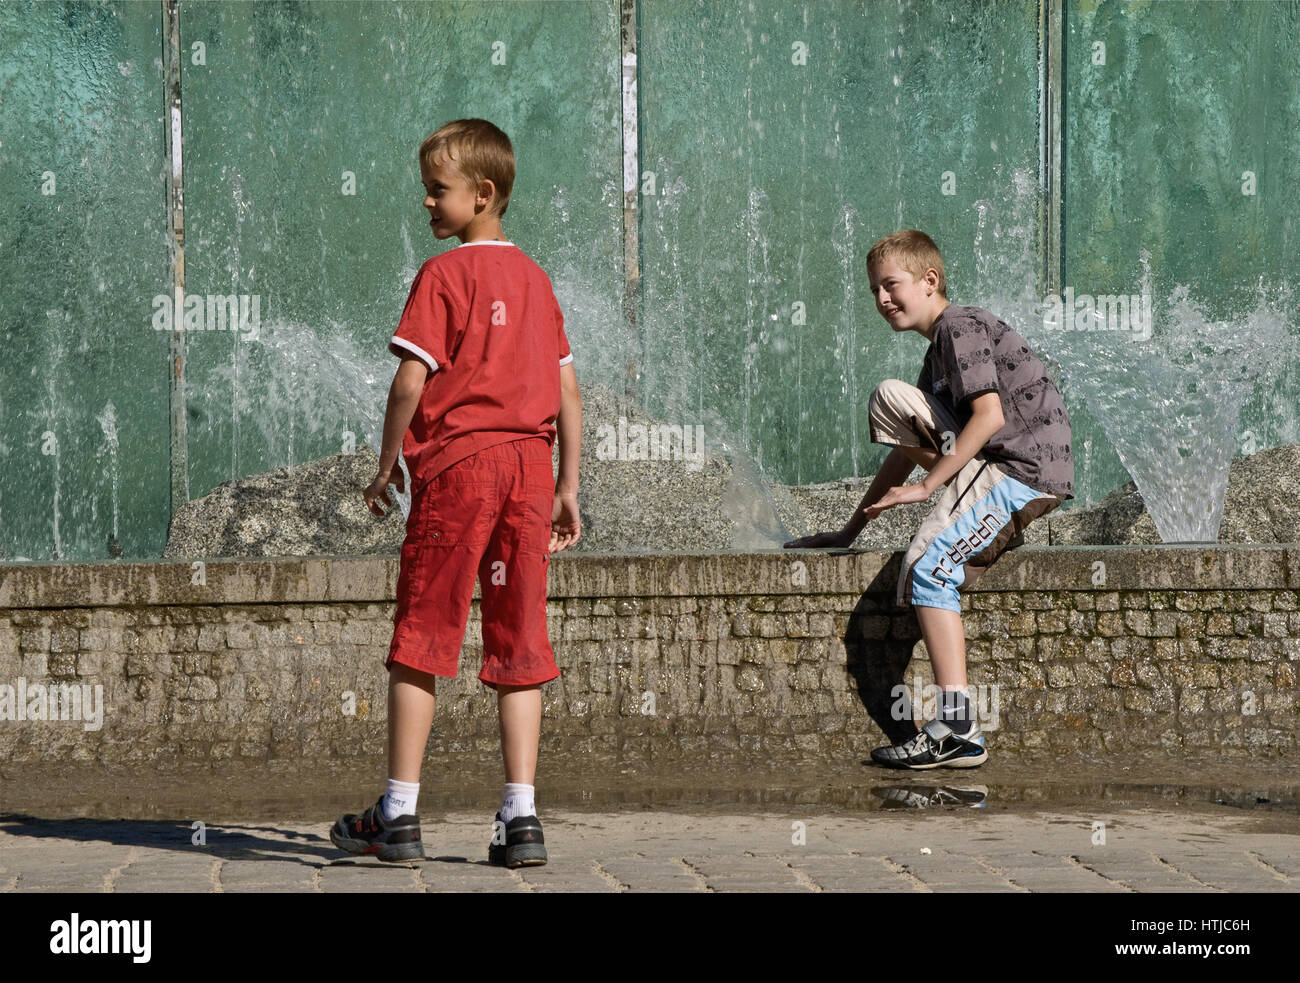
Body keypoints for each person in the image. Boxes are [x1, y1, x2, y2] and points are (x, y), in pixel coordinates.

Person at [330, 118, 582, 865]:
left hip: (458, 472)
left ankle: (400, 813)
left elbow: (410, 380)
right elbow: (567, 390)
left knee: (422, 636)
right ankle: (521, 817)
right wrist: (569, 485)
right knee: (520, 640)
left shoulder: (443, 277)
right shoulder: (536, 280)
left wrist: (384, 466)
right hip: (530, 474)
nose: (427, 204)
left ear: (483, 194)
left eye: (437, 191)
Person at [785, 229, 1074, 769]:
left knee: (931, 566)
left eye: (891, 285)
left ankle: (957, 729)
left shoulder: (958, 328)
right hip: (1000, 465)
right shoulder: (937, 354)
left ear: (930, 280)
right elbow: (906, 446)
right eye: (874, 290)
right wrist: (851, 530)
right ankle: (955, 728)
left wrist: (927, 486)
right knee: (893, 402)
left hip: (1022, 470)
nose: (882, 300)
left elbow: (990, 417)